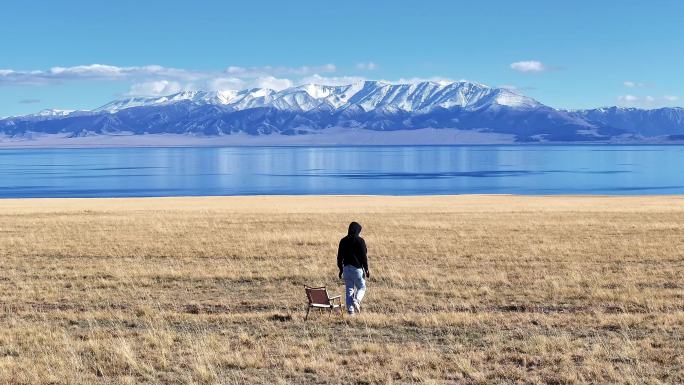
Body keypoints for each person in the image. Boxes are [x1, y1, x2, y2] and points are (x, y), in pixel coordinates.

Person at [337, 221, 369, 315]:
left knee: (349, 290)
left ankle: (351, 312)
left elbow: (339, 257)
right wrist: (366, 269)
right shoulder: (360, 241)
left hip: (346, 268)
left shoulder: (343, 240)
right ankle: (357, 300)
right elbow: (364, 256)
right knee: (362, 287)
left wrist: (340, 269)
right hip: (357, 269)